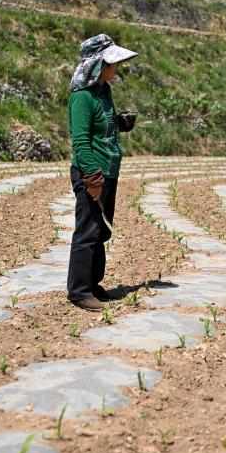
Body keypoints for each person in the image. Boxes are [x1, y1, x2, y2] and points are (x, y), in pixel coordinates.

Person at [66, 33, 137, 310]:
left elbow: (100, 127)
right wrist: (92, 176)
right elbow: (81, 141)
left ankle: (93, 284)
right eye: (112, 63)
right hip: (92, 173)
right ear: (98, 65)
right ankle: (79, 291)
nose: (116, 67)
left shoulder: (103, 91)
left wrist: (119, 123)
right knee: (88, 230)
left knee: (100, 231)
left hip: (108, 172)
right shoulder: (82, 98)